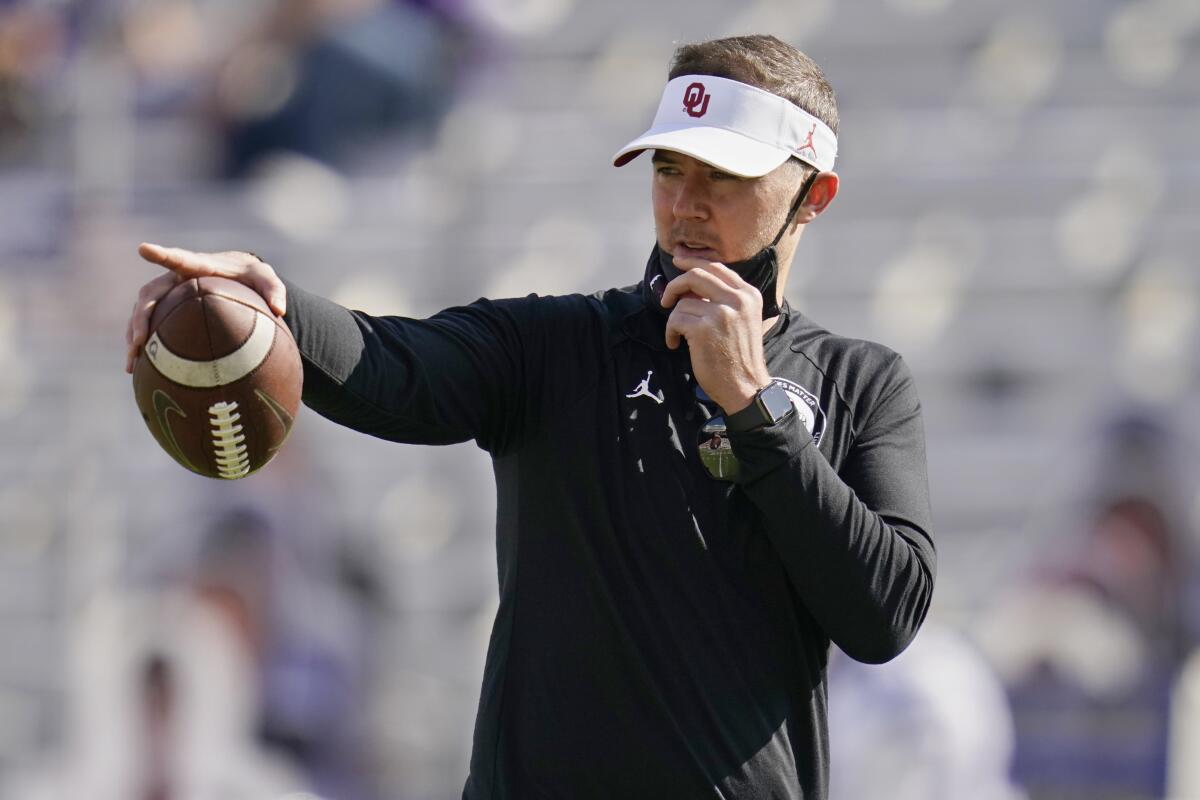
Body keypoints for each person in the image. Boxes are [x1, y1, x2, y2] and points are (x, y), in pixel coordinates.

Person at [125, 34, 936, 800]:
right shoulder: (558, 345)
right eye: (668, 169)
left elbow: (884, 617)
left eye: (722, 177)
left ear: (813, 195)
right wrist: (269, 306)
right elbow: (392, 365)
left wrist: (755, 412)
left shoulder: (862, 383)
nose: (685, 206)